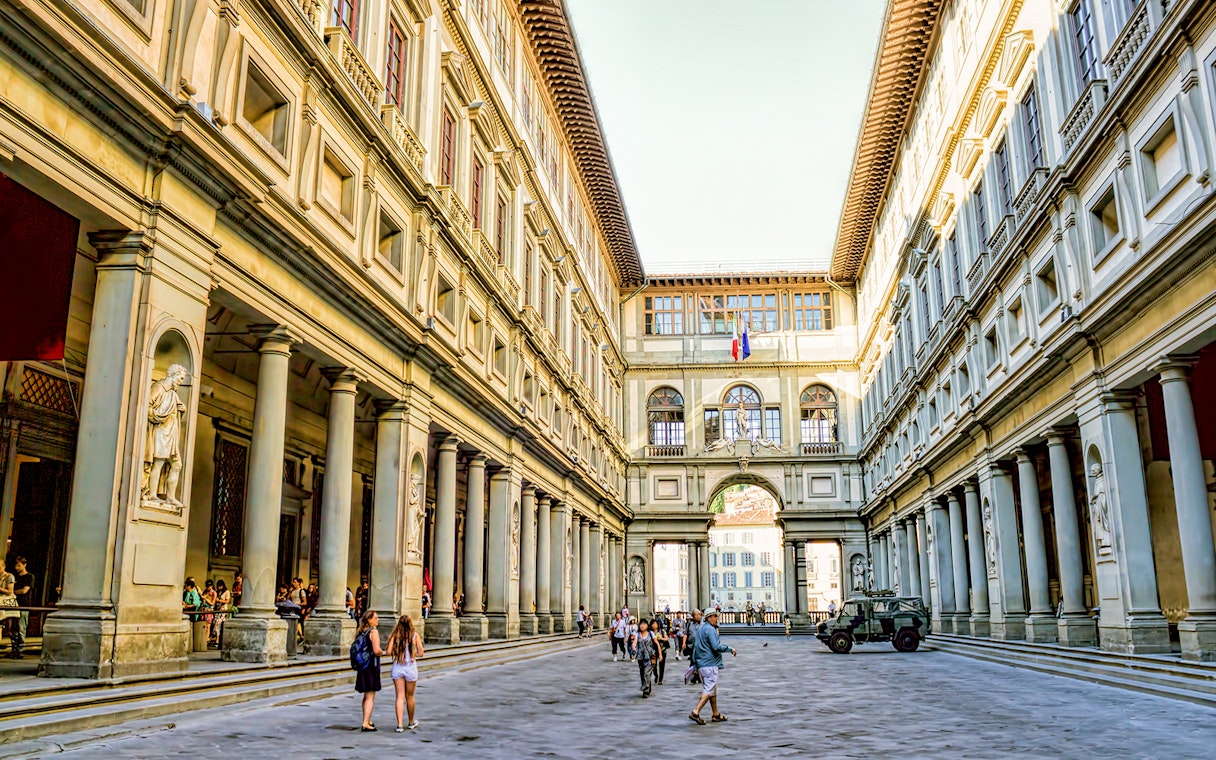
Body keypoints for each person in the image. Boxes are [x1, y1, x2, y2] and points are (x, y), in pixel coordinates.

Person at [688, 609, 736, 725]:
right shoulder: (710, 629)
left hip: (701, 664)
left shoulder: (700, 629)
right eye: (715, 616)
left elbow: (695, 647)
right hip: (710, 663)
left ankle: (715, 714)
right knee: (709, 689)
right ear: (709, 618)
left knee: (712, 689)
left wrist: (695, 664)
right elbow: (716, 646)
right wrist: (730, 649)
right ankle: (696, 711)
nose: (717, 619)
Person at [386, 614, 424, 732]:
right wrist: (413, 655)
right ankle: (411, 721)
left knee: (399, 696)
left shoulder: (395, 636)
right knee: (410, 696)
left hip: (398, 666)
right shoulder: (414, 635)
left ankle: (399, 725)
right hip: (410, 667)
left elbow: (387, 652)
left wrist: (397, 653)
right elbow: (421, 652)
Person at [353, 610, 385, 731]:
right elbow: (376, 650)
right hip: (371, 664)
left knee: (366, 695)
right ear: (370, 619)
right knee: (370, 695)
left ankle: (366, 719)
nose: (378, 620)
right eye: (375, 618)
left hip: (363, 665)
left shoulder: (361, 631)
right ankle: (366, 722)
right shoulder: (373, 631)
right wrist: (382, 652)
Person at [10, 557, 33, 659]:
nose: (17, 568)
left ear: (24, 565)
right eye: (16, 565)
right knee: (13, 627)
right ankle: (14, 648)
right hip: (13, 604)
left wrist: (12, 592)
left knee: (21, 627)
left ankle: (20, 649)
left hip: (23, 604)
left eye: (19, 565)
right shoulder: (14, 576)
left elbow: (24, 590)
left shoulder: (29, 577)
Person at [632, 618, 661, 697]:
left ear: (647, 625)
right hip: (641, 657)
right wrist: (634, 647)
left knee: (646, 673)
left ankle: (645, 690)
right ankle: (647, 687)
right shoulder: (638, 634)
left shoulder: (651, 633)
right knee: (643, 674)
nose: (642, 626)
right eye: (641, 624)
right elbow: (634, 642)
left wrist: (660, 655)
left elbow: (657, 643)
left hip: (651, 656)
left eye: (644, 624)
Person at [0, 562, 19, 656]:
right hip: (1, 603)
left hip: (7, 603)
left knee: (12, 626)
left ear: (3, 566)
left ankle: (16, 649)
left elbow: (9, 592)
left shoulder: (9, 577)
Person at [212, 579, 231, 647]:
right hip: (217, 609)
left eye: (220, 586)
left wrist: (220, 600)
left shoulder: (226, 592)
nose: (219, 588)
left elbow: (227, 601)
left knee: (218, 623)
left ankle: (217, 640)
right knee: (215, 623)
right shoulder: (217, 592)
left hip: (223, 610)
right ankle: (216, 638)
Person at [653, 618, 670, 685]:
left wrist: (661, 638)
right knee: (653, 665)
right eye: (653, 624)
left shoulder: (662, 631)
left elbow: (667, 638)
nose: (654, 625)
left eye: (655, 624)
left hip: (662, 649)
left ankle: (660, 679)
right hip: (653, 650)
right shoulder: (650, 632)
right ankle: (656, 675)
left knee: (662, 665)